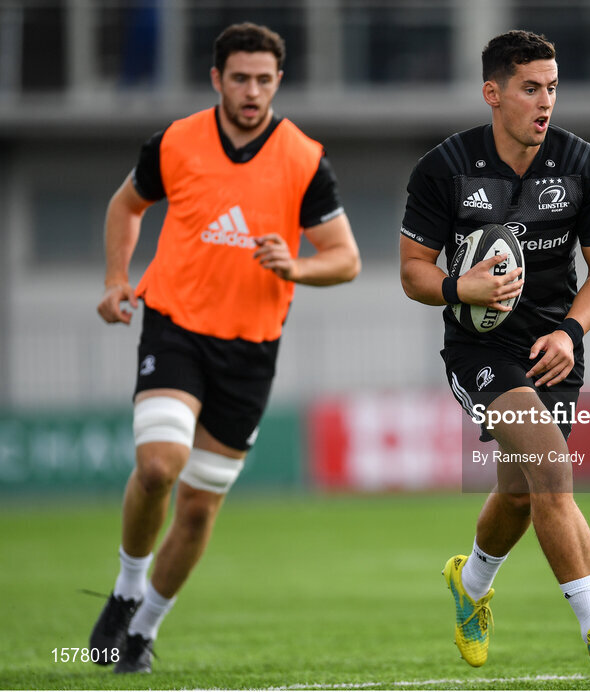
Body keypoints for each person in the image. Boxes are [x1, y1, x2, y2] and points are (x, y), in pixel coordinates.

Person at [90, 23, 360, 674]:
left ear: (278, 82)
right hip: (175, 324)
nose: (251, 91)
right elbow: (126, 207)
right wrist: (116, 280)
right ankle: (127, 586)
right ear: (216, 79)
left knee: (200, 504)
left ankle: (143, 631)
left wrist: (295, 267)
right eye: (239, 77)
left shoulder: (302, 157)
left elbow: (345, 260)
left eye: (264, 79)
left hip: (251, 348)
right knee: (158, 465)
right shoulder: (177, 141)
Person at [399, 30, 590, 680]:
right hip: (477, 347)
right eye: (531, 88)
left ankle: (469, 585)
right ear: (493, 92)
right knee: (551, 469)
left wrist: (570, 333)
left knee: (521, 492)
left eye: (552, 88)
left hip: (554, 346)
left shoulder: (585, 166)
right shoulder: (443, 168)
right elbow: (412, 273)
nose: (545, 101)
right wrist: (459, 287)